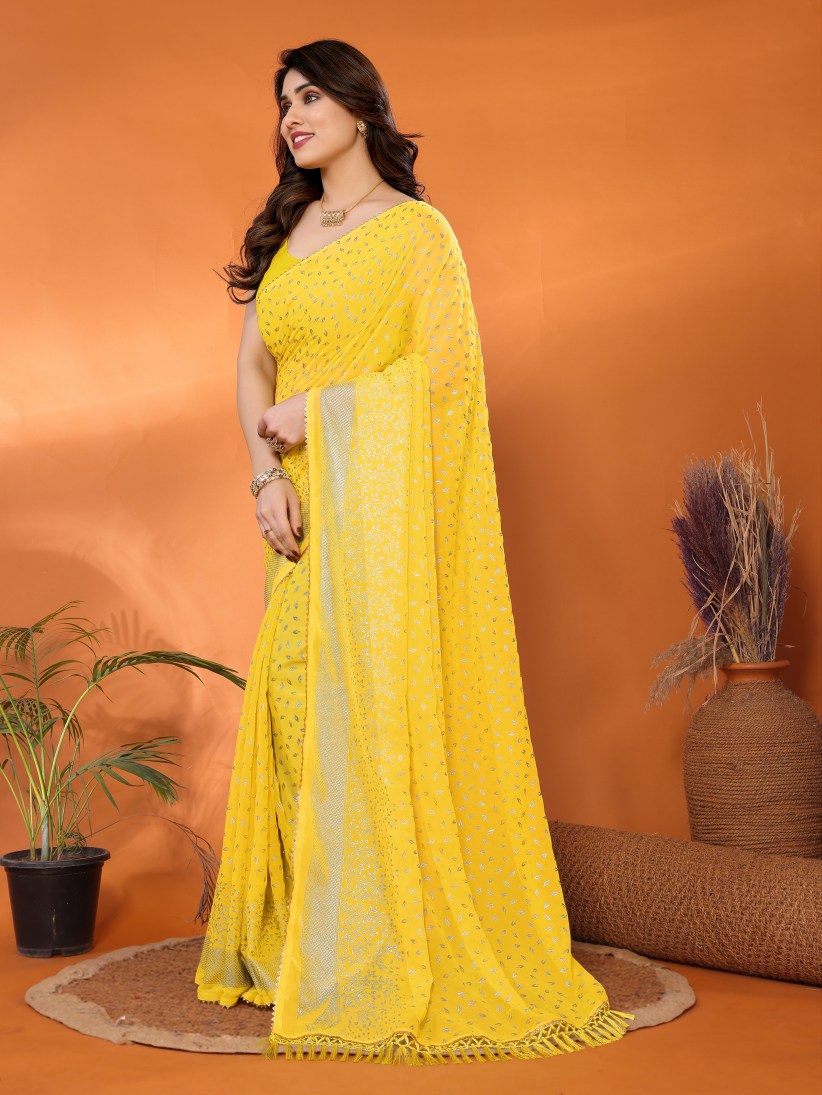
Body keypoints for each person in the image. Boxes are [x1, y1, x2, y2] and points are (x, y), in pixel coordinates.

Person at [194, 37, 634, 1066]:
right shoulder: (290, 233)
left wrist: (322, 414)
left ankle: (373, 946)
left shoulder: (419, 235)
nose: (293, 114)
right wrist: (264, 477)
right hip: (299, 515)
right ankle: (314, 938)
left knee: (371, 708)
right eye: (284, 101)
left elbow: (445, 385)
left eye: (311, 95)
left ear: (359, 107)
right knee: (299, 707)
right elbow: (252, 366)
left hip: (380, 523)